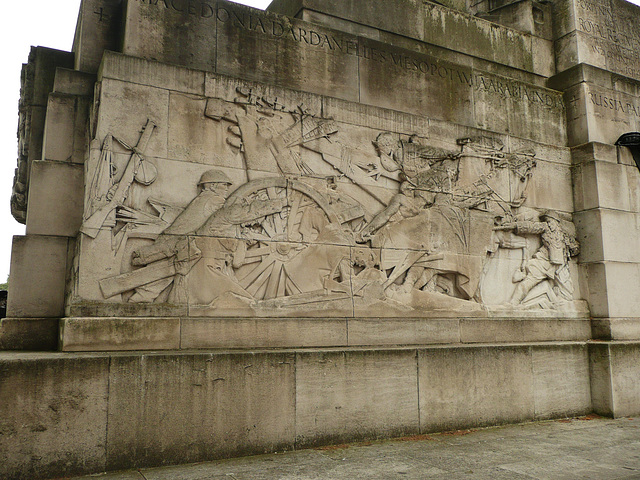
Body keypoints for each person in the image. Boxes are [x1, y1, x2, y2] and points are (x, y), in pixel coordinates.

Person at [495, 211, 580, 306]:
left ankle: (554, 302)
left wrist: (573, 247)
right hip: (543, 262)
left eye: (550, 221)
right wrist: (515, 225)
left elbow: (575, 248)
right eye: (546, 221)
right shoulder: (545, 227)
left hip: (561, 266)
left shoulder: (564, 235)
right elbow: (531, 226)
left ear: (556, 222)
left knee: (567, 296)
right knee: (526, 283)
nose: (548, 223)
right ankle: (514, 302)